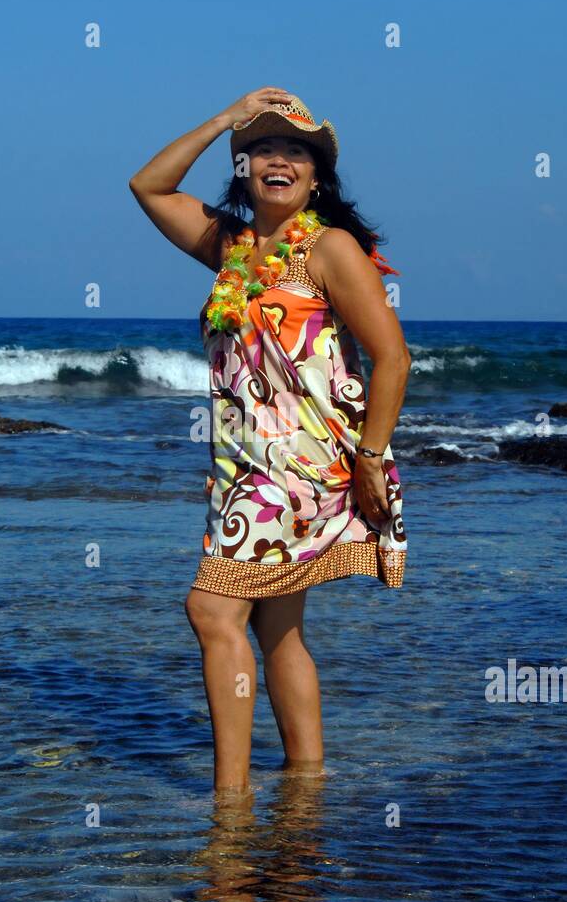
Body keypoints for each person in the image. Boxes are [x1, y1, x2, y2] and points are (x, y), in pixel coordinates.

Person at [130, 88, 410, 793]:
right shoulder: (233, 249)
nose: (278, 160)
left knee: (211, 607)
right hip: (242, 465)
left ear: (317, 177)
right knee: (276, 626)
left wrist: (372, 457)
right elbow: (149, 184)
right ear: (243, 167)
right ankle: (305, 781)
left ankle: (229, 800)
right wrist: (226, 118)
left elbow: (393, 357)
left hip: (301, 467)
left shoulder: (331, 250)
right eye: (262, 149)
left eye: (296, 151)